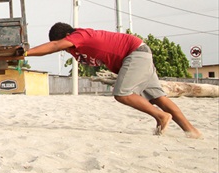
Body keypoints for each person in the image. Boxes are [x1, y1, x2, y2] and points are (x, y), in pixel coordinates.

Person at [25, 22, 202, 138]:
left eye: (65, 45)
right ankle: (191, 131)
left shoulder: (80, 36)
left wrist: (26, 53)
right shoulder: (79, 44)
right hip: (140, 53)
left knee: (122, 94)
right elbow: (56, 47)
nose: (65, 49)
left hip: (135, 54)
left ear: (66, 36)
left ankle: (161, 116)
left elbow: (54, 46)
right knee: (158, 97)